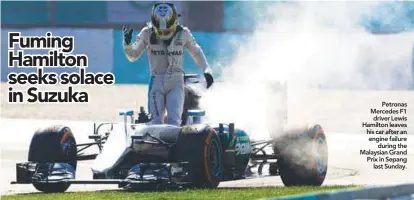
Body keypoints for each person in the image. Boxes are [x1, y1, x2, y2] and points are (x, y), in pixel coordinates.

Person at [123, 2, 214, 126]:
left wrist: (207, 70)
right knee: (155, 122)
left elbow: (196, 52)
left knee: (174, 122)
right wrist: (127, 44)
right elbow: (132, 56)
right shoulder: (146, 33)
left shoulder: (184, 33)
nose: (164, 33)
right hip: (156, 81)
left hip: (176, 83)